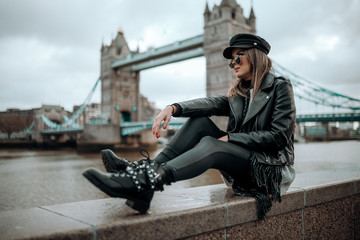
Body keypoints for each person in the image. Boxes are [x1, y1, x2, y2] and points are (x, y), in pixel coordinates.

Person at [83, 33, 296, 219]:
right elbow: (208, 104)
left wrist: (232, 138)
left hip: (268, 171)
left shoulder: (280, 87)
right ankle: (146, 176)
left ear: (256, 55)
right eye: (231, 61)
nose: (233, 64)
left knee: (212, 144)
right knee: (200, 122)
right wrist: (173, 108)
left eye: (238, 56)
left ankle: (145, 180)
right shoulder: (239, 94)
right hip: (244, 165)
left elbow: (279, 137)